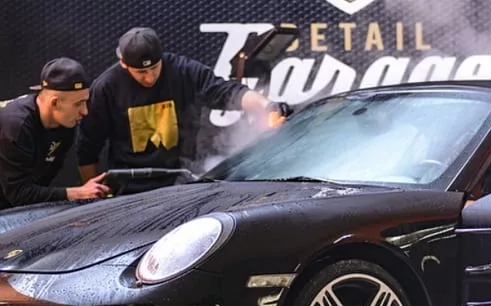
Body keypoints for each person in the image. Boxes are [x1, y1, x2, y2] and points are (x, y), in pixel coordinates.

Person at [77, 27, 290, 182]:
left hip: (181, 179)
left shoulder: (183, 71)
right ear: (124, 64)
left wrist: (267, 106)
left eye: (154, 68)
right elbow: (88, 146)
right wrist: (96, 192)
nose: (149, 77)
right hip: (130, 186)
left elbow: (227, 93)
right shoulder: (107, 87)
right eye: (141, 72)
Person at [0, 57, 110, 209]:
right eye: (78, 104)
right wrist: (77, 193)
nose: (85, 111)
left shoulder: (65, 122)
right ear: (54, 103)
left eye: (86, 101)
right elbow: (18, 194)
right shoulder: (16, 126)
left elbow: (40, 183)